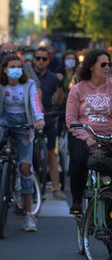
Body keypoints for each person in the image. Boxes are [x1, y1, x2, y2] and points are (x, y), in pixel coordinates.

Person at [65, 49, 112, 214]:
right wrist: (86, 138)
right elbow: (71, 119)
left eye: (109, 64)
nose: (107, 67)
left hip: (109, 136)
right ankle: (77, 200)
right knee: (79, 161)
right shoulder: (78, 89)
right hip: (82, 135)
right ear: (92, 66)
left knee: (110, 178)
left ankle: (111, 222)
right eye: (103, 64)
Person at [0, 54, 45, 231]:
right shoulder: (1, 85)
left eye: (19, 66)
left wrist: (39, 119)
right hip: (3, 121)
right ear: (4, 69)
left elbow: (35, 103)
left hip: (24, 123)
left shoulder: (29, 85)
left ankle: (28, 216)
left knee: (25, 167)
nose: (16, 70)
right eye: (12, 66)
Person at [33, 47, 66, 200]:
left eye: (44, 59)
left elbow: (58, 101)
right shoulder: (27, 76)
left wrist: (59, 86)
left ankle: (55, 188)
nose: (41, 61)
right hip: (31, 120)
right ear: (34, 59)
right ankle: (30, 187)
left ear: (48, 61)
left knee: (51, 153)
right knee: (29, 154)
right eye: (38, 58)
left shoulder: (53, 77)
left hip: (49, 118)